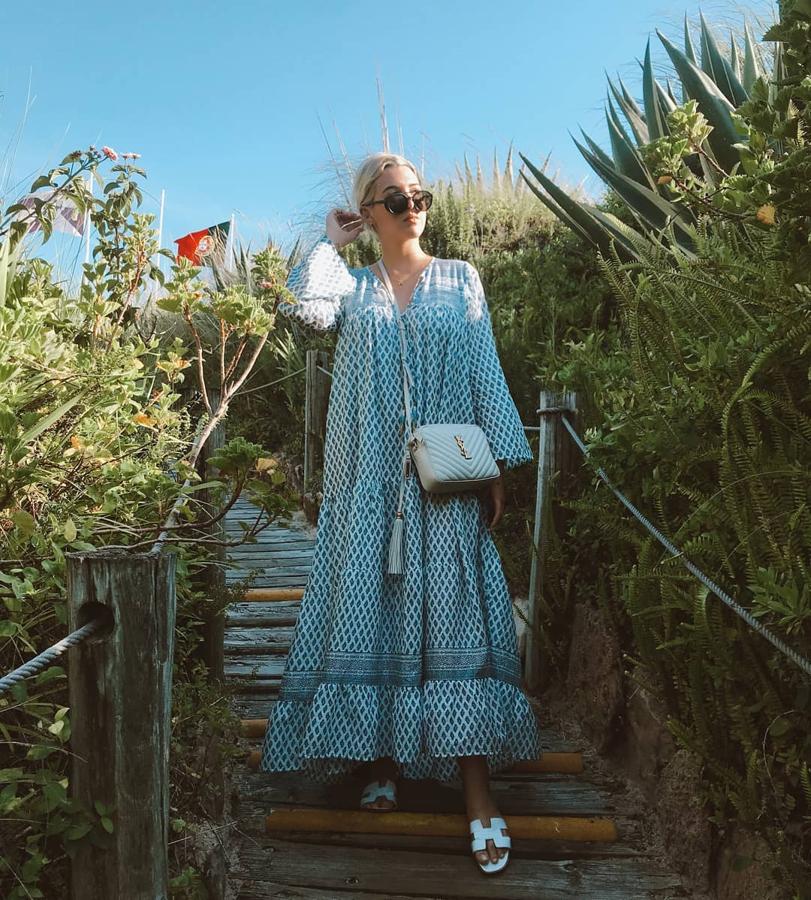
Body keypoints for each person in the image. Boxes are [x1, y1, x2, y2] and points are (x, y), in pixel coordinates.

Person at [260, 152, 540, 874]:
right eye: (393, 196)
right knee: (376, 613)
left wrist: (497, 464)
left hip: (442, 484)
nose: (410, 204)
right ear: (369, 211)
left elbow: (484, 366)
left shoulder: (459, 279)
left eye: (418, 193)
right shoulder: (351, 288)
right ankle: (380, 758)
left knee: (455, 625)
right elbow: (304, 311)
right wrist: (329, 241)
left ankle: (478, 797)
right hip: (368, 488)